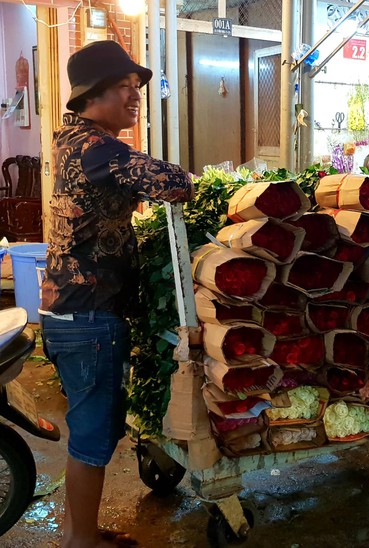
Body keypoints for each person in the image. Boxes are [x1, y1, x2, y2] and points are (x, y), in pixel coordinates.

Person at [39, 40, 194, 548]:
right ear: (93, 95)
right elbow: (173, 183)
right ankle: (80, 543)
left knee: (91, 431)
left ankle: (80, 531)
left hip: (69, 315)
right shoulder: (98, 148)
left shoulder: (72, 141)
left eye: (136, 88)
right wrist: (193, 180)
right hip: (89, 320)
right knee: (92, 439)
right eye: (125, 88)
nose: (135, 97)